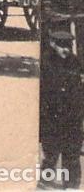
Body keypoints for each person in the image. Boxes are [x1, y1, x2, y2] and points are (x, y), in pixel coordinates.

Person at [41, 26, 83, 188]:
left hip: (72, 117)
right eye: (62, 45)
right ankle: (45, 183)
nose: (66, 50)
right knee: (51, 153)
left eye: (68, 46)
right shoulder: (46, 63)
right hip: (52, 117)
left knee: (72, 154)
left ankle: (72, 185)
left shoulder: (75, 63)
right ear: (53, 44)